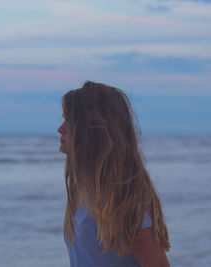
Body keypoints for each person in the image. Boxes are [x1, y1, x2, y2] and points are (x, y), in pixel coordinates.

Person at [57, 81, 170, 267]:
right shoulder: (82, 187)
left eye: (69, 120)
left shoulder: (124, 202)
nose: (61, 128)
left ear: (93, 130)